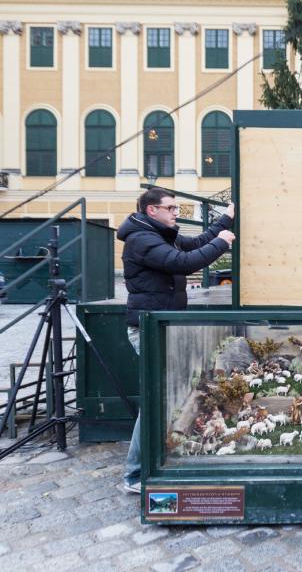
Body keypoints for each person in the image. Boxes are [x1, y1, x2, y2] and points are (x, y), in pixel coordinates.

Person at [117, 187, 235, 493]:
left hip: (164, 325)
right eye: (171, 208)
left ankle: (158, 458)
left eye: (176, 208)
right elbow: (183, 262)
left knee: (167, 395)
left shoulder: (158, 233)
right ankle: (135, 473)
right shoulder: (141, 239)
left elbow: (196, 243)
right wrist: (222, 244)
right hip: (147, 328)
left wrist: (225, 219)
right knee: (156, 399)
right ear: (151, 210)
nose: (175, 212)